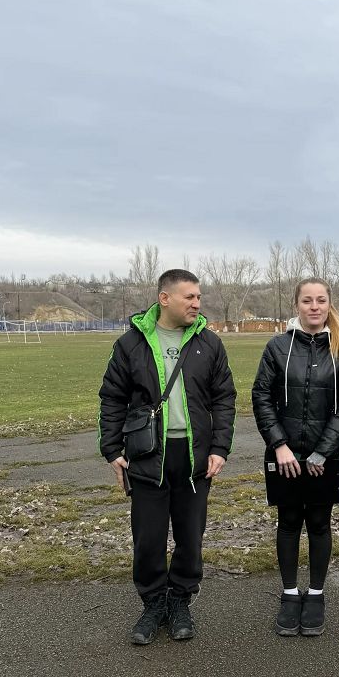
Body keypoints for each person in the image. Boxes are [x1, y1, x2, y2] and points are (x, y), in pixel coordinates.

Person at [98, 269, 236, 645]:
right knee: (148, 539)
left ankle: (180, 602)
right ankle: (153, 604)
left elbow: (224, 398)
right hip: (147, 456)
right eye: (189, 297)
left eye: (199, 297)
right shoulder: (131, 344)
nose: (197, 303)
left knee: (191, 538)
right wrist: (112, 450)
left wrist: (220, 448)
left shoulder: (209, 343)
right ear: (165, 299)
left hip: (194, 457)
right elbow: (112, 398)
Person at [252, 278, 339, 636]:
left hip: (324, 459)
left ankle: (315, 594)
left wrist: (323, 452)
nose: (314, 307)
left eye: (321, 300)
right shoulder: (277, 346)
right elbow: (261, 396)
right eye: (307, 301)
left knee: (319, 523)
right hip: (284, 456)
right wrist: (279, 445)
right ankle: (288, 594)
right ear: (296, 305)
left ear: (329, 304)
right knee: (288, 522)